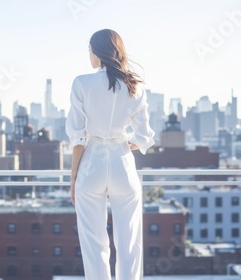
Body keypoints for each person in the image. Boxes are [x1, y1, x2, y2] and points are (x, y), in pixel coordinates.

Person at [66, 29, 155, 280]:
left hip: (91, 166)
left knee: (94, 245)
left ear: (98, 52)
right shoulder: (135, 86)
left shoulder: (81, 83)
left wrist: (73, 178)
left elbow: (78, 139)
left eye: (90, 50)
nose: (89, 55)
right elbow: (145, 137)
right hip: (123, 165)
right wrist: (122, 143)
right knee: (129, 245)